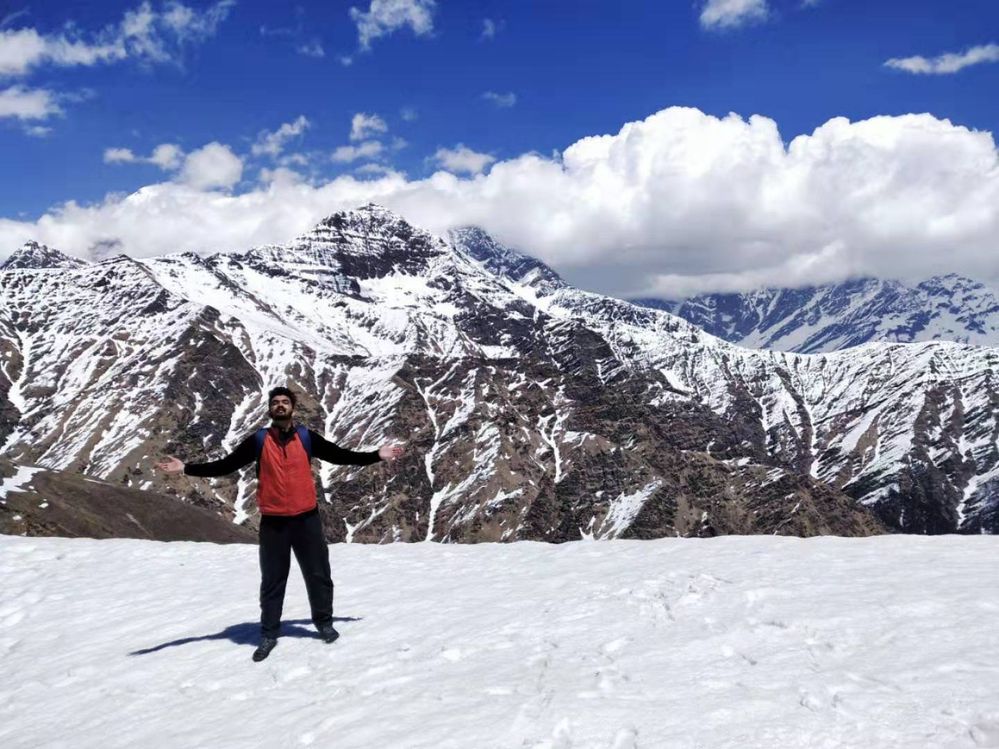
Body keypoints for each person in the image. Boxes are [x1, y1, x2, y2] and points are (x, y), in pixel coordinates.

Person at [155, 386, 404, 661]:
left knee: (318, 574)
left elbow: (341, 455)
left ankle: (323, 622)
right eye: (276, 403)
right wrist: (186, 468)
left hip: (306, 519)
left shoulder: (308, 438)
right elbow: (226, 465)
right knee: (273, 581)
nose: (281, 406)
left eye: (285, 402)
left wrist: (375, 455)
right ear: (270, 409)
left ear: (293, 408)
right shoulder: (259, 441)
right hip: (274, 523)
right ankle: (269, 633)